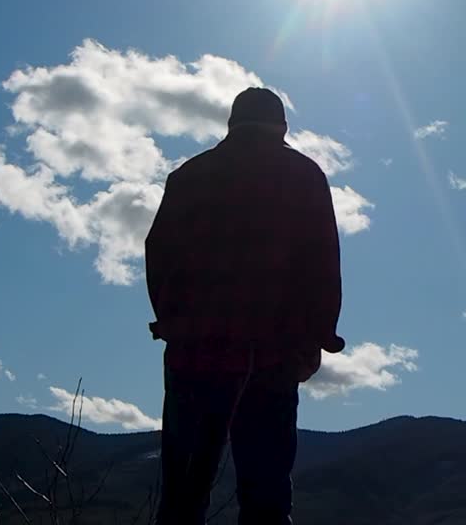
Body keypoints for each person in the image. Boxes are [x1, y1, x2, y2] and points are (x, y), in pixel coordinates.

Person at [145, 87, 344, 525]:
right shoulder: (304, 175)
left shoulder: (189, 176)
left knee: (182, 497)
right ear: (282, 127)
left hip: (195, 352)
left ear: (232, 124)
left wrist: (175, 322)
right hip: (272, 354)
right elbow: (323, 264)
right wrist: (317, 338)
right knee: (266, 498)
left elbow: (158, 254)